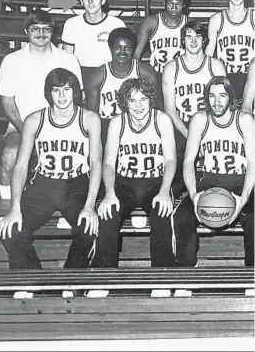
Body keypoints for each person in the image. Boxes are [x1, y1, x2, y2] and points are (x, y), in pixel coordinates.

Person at [0, 68, 102, 269]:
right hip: (43, 183)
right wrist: (14, 208)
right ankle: (32, 281)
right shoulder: (34, 120)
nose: (61, 96)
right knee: (12, 231)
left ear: (75, 91)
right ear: (48, 93)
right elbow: (21, 165)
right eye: (56, 90)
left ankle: (71, 283)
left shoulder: (90, 119)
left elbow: (95, 163)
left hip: (76, 184)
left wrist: (90, 205)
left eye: (67, 89)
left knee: (89, 228)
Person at [0, 9, 83, 200]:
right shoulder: (11, 60)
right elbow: (7, 101)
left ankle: (67, 206)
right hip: (21, 125)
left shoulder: (68, 59)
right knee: (10, 155)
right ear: (26, 30)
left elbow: (76, 97)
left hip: (62, 126)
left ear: (53, 31)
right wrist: (26, 131)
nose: (41, 34)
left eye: (46, 29)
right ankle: (7, 207)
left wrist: (63, 128)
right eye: (35, 28)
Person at [91, 78, 177, 268]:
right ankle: (103, 278)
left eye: (143, 100)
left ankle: (162, 277)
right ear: (125, 102)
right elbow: (108, 164)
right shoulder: (117, 122)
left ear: (151, 100)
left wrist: (164, 191)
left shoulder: (161, 119)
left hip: (155, 182)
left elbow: (171, 161)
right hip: (124, 183)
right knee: (107, 214)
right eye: (132, 100)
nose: (138, 106)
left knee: (162, 214)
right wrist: (109, 193)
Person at [174, 76, 255, 267]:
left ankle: (252, 276)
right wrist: (194, 196)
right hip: (210, 182)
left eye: (222, 96)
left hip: (241, 181)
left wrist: (243, 199)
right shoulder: (200, 120)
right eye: (212, 96)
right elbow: (188, 161)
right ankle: (185, 276)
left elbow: (253, 161)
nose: (217, 101)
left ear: (231, 97)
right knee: (182, 216)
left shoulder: (244, 119)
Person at [162, 20, 226, 195]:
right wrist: (192, 137)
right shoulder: (171, 68)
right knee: (176, 172)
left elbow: (224, 104)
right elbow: (170, 111)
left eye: (198, 36)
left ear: (204, 40)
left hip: (209, 124)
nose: (193, 41)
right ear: (182, 40)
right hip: (181, 125)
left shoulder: (216, 66)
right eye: (188, 36)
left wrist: (207, 134)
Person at [86, 27, 160, 148]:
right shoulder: (99, 75)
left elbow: (155, 107)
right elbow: (93, 116)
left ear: (133, 49)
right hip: (107, 127)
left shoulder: (145, 72)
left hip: (138, 126)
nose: (122, 52)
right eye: (118, 47)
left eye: (127, 48)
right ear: (110, 48)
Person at [61, 0, 126, 85]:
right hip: (81, 74)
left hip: (108, 74)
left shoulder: (116, 24)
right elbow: (67, 59)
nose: (90, 1)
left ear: (102, 1)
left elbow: (123, 57)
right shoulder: (71, 24)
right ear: (82, 1)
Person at [206, 0, 255, 100]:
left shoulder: (253, 18)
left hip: (250, 79)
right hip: (225, 78)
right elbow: (208, 56)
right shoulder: (216, 20)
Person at [133, 0, 191, 75]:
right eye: (170, 3)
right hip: (157, 74)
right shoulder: (151, 22)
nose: (174, 8)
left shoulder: (189, 24)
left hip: (182, 75)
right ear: (164, 3)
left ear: (184, 5)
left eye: (178, 4)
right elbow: (136, 54)